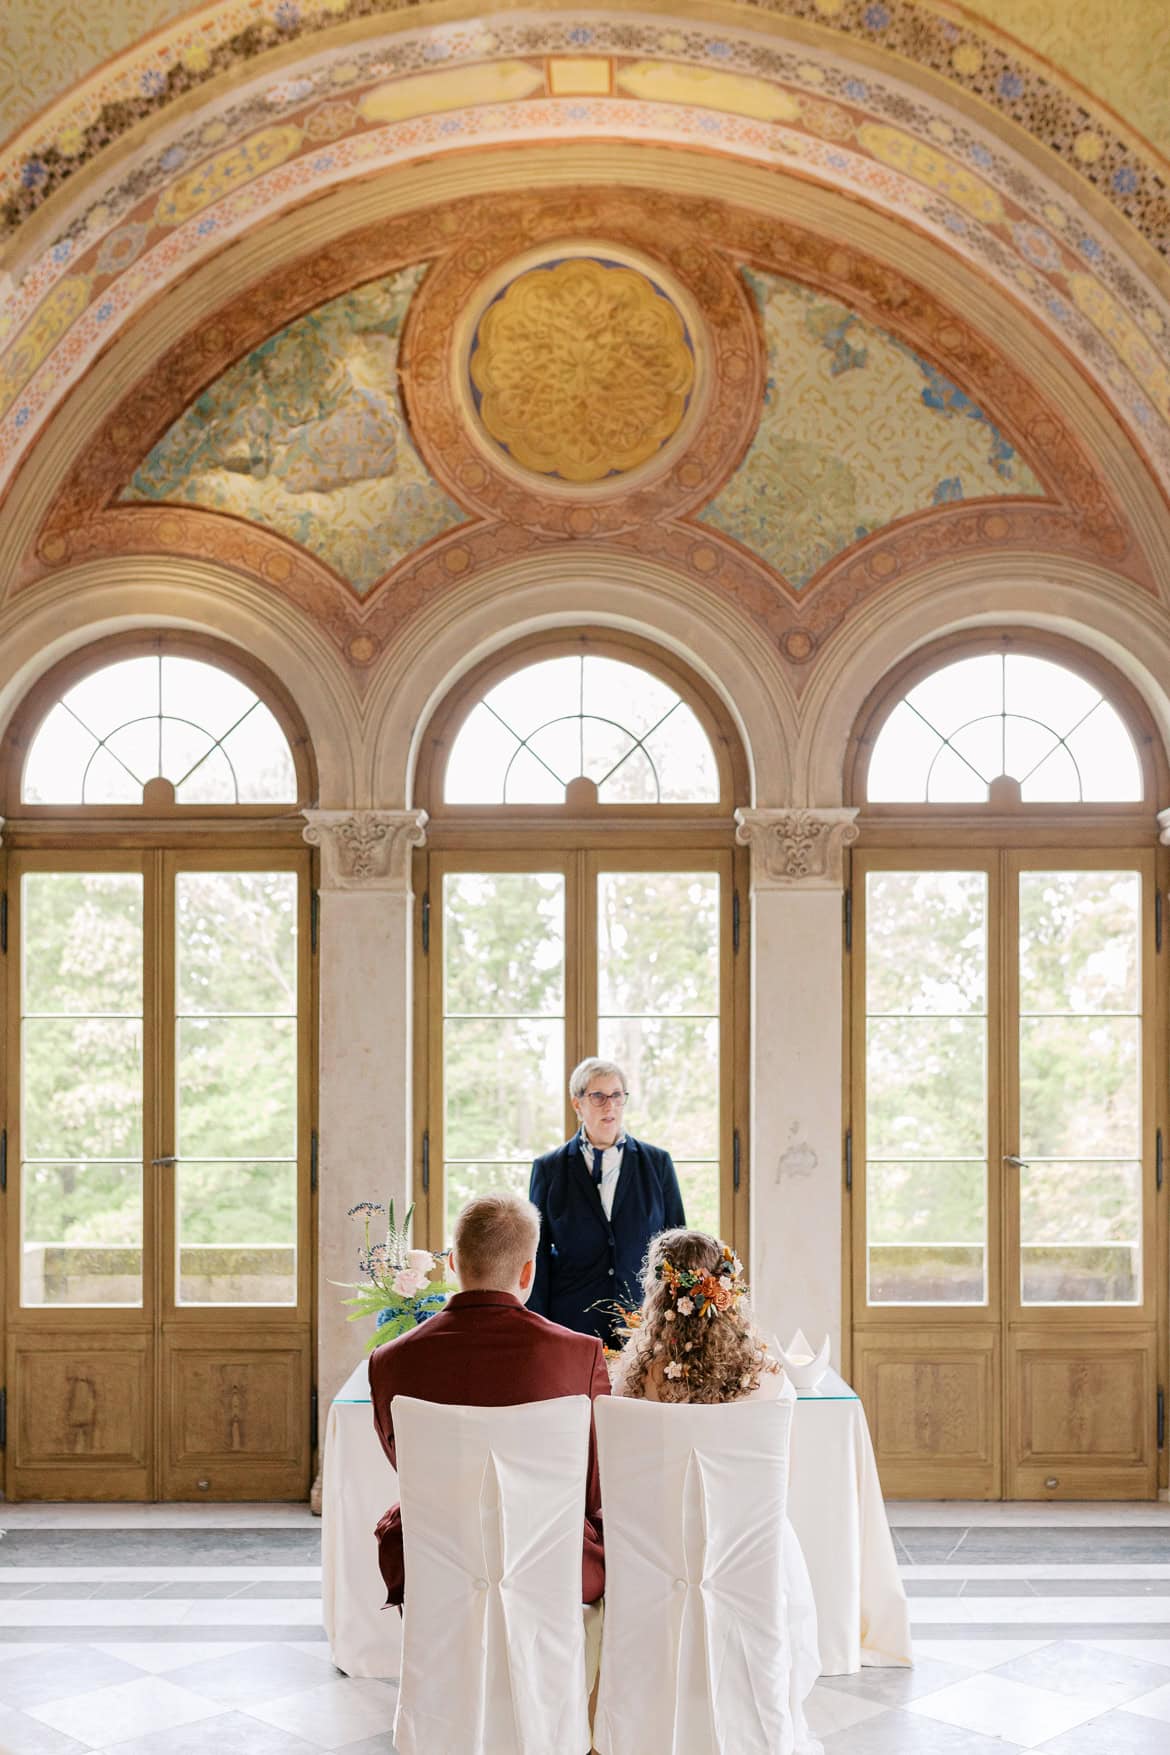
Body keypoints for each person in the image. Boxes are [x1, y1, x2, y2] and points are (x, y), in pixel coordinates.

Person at [611, 1228, 822, 1750]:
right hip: (746, 1544)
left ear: (659, 1291)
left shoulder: (636, 1377)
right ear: (727, 1286)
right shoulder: (767, 1375)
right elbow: (779, 1484)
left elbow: (617, 1476)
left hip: (653, 1547)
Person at [368, 1190, 610, 1608]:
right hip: (555, 1563)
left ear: (453, 1263)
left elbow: (406, 1467)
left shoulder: (390, 1359)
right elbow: (594, 1489)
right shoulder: (581, 1354)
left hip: (434, 1562)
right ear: (528, 1271)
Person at [528, 1056, 686, 1346]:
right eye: (598, 1096)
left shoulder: (658, 1163)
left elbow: (677, 1249)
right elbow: (536, 1255)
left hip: (643, 1321)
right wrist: (539, 1327)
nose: (609, 1105)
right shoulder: (548, 1169)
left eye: (616, 1095)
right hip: (571, 1322)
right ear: (578, 1104)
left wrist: (676, 1318)